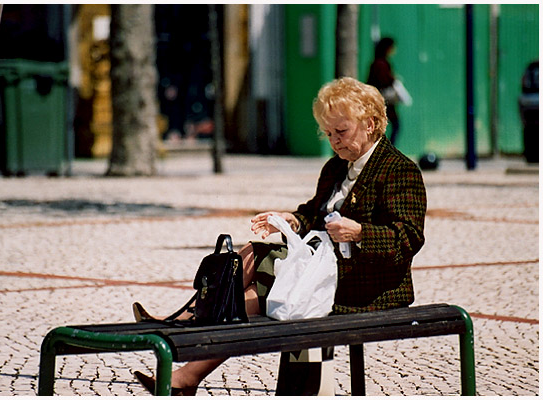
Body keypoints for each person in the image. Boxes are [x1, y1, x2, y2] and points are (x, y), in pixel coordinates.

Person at [132, 77, 427, 395]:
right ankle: (185, 375)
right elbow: (313, 215)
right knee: (254, 289)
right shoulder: (335, 168)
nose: (334, 141)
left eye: (341, 131)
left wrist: (359, 233)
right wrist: (293, 221)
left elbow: (408, 239)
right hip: (324, 275)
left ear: (370, 123)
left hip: (367, 287)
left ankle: (188, 321)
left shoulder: (399, 170)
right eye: (328, 134)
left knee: (258, 264)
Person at [367, 37, 401, 146]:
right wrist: (392, 80)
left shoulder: (380, 63)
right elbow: (382, 80)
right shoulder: (380, 64)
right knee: (391, 125)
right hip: (382, 100)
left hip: (381, 100)